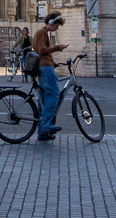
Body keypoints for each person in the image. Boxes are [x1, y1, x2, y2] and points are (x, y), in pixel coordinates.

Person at [31, 11, 69, 141]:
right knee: (54, 95)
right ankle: (46, 126)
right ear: (52, 23)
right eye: (57, 26)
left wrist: (54, 63)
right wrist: (57, 48)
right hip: (45, 68)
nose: (56, 29)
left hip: (45, 66)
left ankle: (42, 131)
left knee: (43, 99)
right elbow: (42, 51)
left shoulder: (40, 33)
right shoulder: (42, 33)